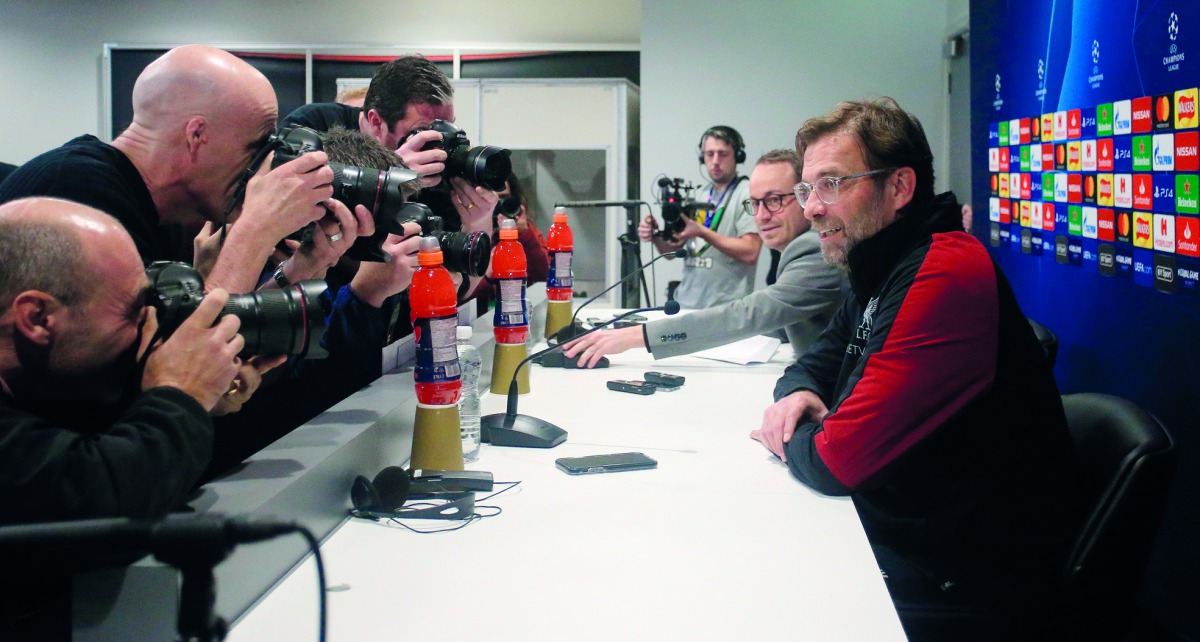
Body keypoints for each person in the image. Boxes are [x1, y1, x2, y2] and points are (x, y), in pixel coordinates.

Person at [749, 98, 1074, 636]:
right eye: (807, 190)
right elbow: (810, 366)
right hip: (907, 530)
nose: (812, 209)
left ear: (899, 187)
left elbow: (836, 461)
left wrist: (791, 432)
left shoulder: (945, 268)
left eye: (832, 184)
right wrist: (802, 396)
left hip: (964, 577)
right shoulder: (881, 261)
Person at [0, 45, 372, 295]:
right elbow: (173, 364)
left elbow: (199, 328)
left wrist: (300, 269)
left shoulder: (173, 211)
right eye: (258, 145)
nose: (263, 164)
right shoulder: (77, 196)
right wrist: (255, 231)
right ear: (197, 136)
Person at [563, 149, 848, 367]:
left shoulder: (815, 248)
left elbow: (748, 314)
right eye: (755, 203)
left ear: (804, 196)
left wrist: (635, 336)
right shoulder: (795, 247)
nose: (762, 215)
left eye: (774, 200)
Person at [640, 126, 761, 309]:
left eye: (723, 154)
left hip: (727, 309)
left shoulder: (747, 193)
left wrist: (702, 232)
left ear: (738, 156)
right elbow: (670, 252)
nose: (715, 161)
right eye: (709, 154)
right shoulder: (698, 194)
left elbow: (750, 252)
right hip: (686, 304)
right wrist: (655, 235)